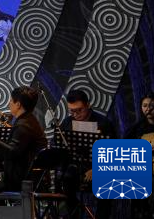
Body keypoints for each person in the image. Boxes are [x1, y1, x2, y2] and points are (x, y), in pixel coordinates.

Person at [58, 88, 117, 219]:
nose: (76, 114)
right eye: (72, 111)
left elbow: (113, 152)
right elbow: (60, 148)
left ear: (88, 105)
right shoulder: (67, 123)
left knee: (106, 181)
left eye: (79, 110)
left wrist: (96, 168)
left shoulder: (104, 123)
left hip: (99, 168)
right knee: (66, 178)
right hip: (76, 168)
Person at [0, 85, 47, 194]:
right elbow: (16, 152)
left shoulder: (23, 125)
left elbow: (12, 153)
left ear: (18, 104)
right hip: (26, 176)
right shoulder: (29, 121)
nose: (9, 104)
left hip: (21, 180)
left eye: (11, 100)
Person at [124, 93, 154, 219]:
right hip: (142, 167)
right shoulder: (135, 129)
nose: (148, 109)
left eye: (152, 105)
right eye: (145, 105)